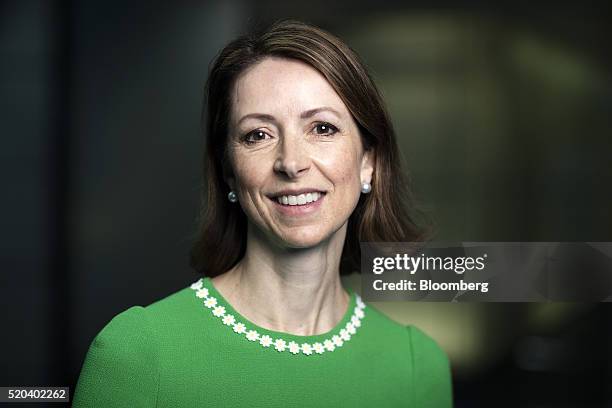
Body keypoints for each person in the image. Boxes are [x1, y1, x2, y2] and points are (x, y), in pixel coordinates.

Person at [73, 19, 452, 407]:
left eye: (322, 128)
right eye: (258, 135)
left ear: (367, 161)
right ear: (229, 172)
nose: (291, 162)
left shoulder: (415, 365)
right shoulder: (136, 354)